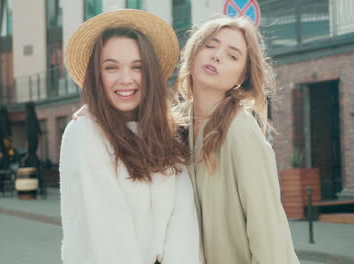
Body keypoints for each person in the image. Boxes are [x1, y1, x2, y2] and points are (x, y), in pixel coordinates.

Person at [60, 9, 199, 264]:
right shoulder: (84, 133)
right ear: (96, 75)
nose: (126, 79)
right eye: (111, 67)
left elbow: (184, 222)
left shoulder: (168, 134)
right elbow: (105, 235)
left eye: (138, 67)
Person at [175, 16, 300, 264]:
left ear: (241, 78)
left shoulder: (240, 130)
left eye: (232, 56)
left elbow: (267, 226)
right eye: (210, 46)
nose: (217, 56)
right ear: (194, 52)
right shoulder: (177, 122)